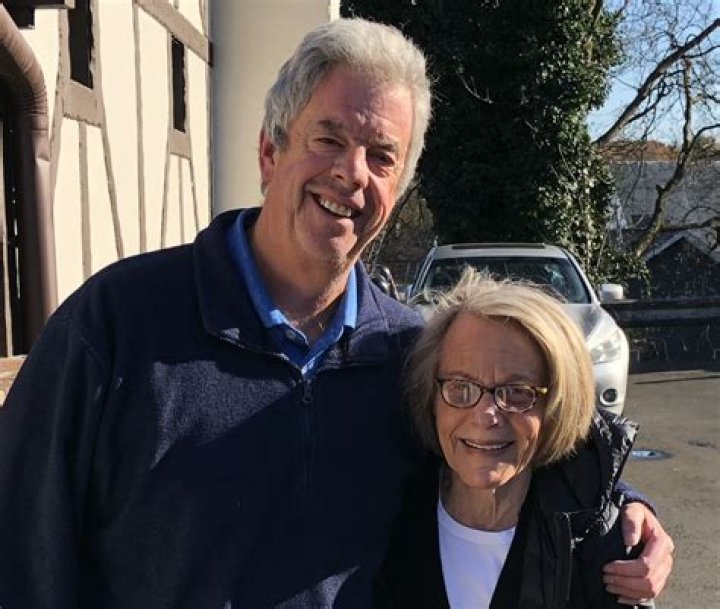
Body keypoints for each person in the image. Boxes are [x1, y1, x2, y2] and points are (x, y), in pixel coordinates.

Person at [0, 18, 671, 608]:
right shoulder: (116, 326)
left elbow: (519, 440)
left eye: (382, 156)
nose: (353, 172)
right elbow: (19, 549)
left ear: (397, 190)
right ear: (270, 151)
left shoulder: (413, 357)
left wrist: (628, 512)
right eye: (328, 139)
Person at [375, 272, 668, 608]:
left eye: (517, 392)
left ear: (556, 406)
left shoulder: (602, 539)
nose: (485, 415)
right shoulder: (388, 513)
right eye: (460, 386)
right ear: (431, 397)